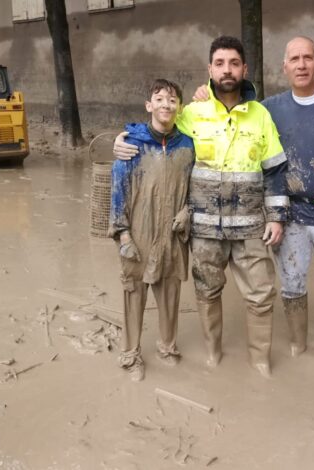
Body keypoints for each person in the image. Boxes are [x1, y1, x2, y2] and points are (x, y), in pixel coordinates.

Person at [193, 36, 314, 376]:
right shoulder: (268, 109)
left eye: (308, 57)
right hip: (289, 215)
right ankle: (297, 348)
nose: (301, 65)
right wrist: (202, 94)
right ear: (284, 67)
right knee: (291, 284)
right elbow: (230, 119)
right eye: (294, 59)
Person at [115, 36, 289, 378]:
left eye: (234, 63)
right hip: (205, 228)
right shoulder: (191, 113)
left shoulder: (261, 115)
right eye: (220, 63)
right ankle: (213, 355)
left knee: (261, 293)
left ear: (244, 69)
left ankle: (260, 361)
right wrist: (123, 139)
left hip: (252, 225)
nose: (227, 70)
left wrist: (278, 217)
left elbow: (276, 169)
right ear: (210, 69)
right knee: (207, 290)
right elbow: (158, 131)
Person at [108, 79, 195, 381]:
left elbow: (195, 188)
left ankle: (167, 347)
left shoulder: (187, 145)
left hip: (172, 233)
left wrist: (188, 212)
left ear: (179, 108)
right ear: (149, 105)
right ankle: (131, 354)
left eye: (172, 100)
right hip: (139, 232)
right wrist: (122, 234)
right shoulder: (131, 143)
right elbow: (117, 190)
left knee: (170, 292)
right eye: (159, 99)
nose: (165, 105)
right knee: (134, 294)